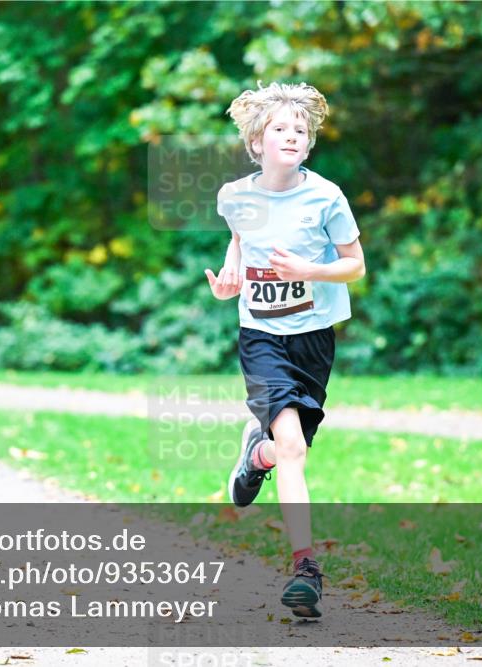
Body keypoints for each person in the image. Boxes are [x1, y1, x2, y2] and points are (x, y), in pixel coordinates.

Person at [206, 82, 366, 619]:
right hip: (261, 336)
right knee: (294, 449)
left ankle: (256, 457)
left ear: (309, 142)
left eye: (300, 130)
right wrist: (232, 274)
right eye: (280, 128)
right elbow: (239, 236)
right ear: (257, 141)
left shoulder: (326, 196)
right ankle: (306, 569)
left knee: (290, 449)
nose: (292, 135)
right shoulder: (234, 196)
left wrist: (311, 271)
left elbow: (355, 265)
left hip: (314, 338)